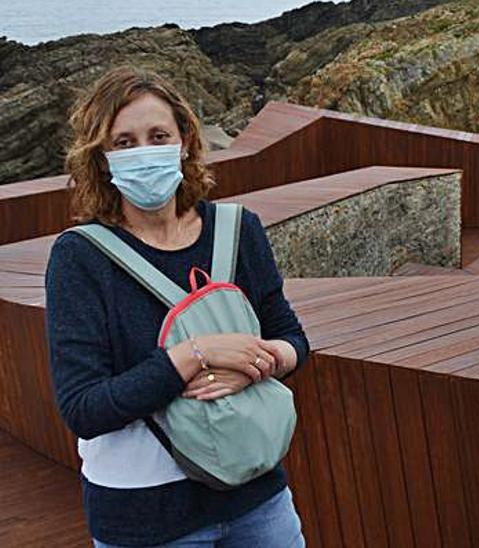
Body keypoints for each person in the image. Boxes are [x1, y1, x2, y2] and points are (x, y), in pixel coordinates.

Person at [45, 66, 309, 547]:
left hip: (257, 496)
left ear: (185, 140)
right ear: (101, 159)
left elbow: (292, 340)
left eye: (157, 135)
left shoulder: (238, 230)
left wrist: (253, 366)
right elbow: (84, 407)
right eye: (123, 142)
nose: (143, 152)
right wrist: (193, 356)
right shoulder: (80, 258)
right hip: (146, 519)